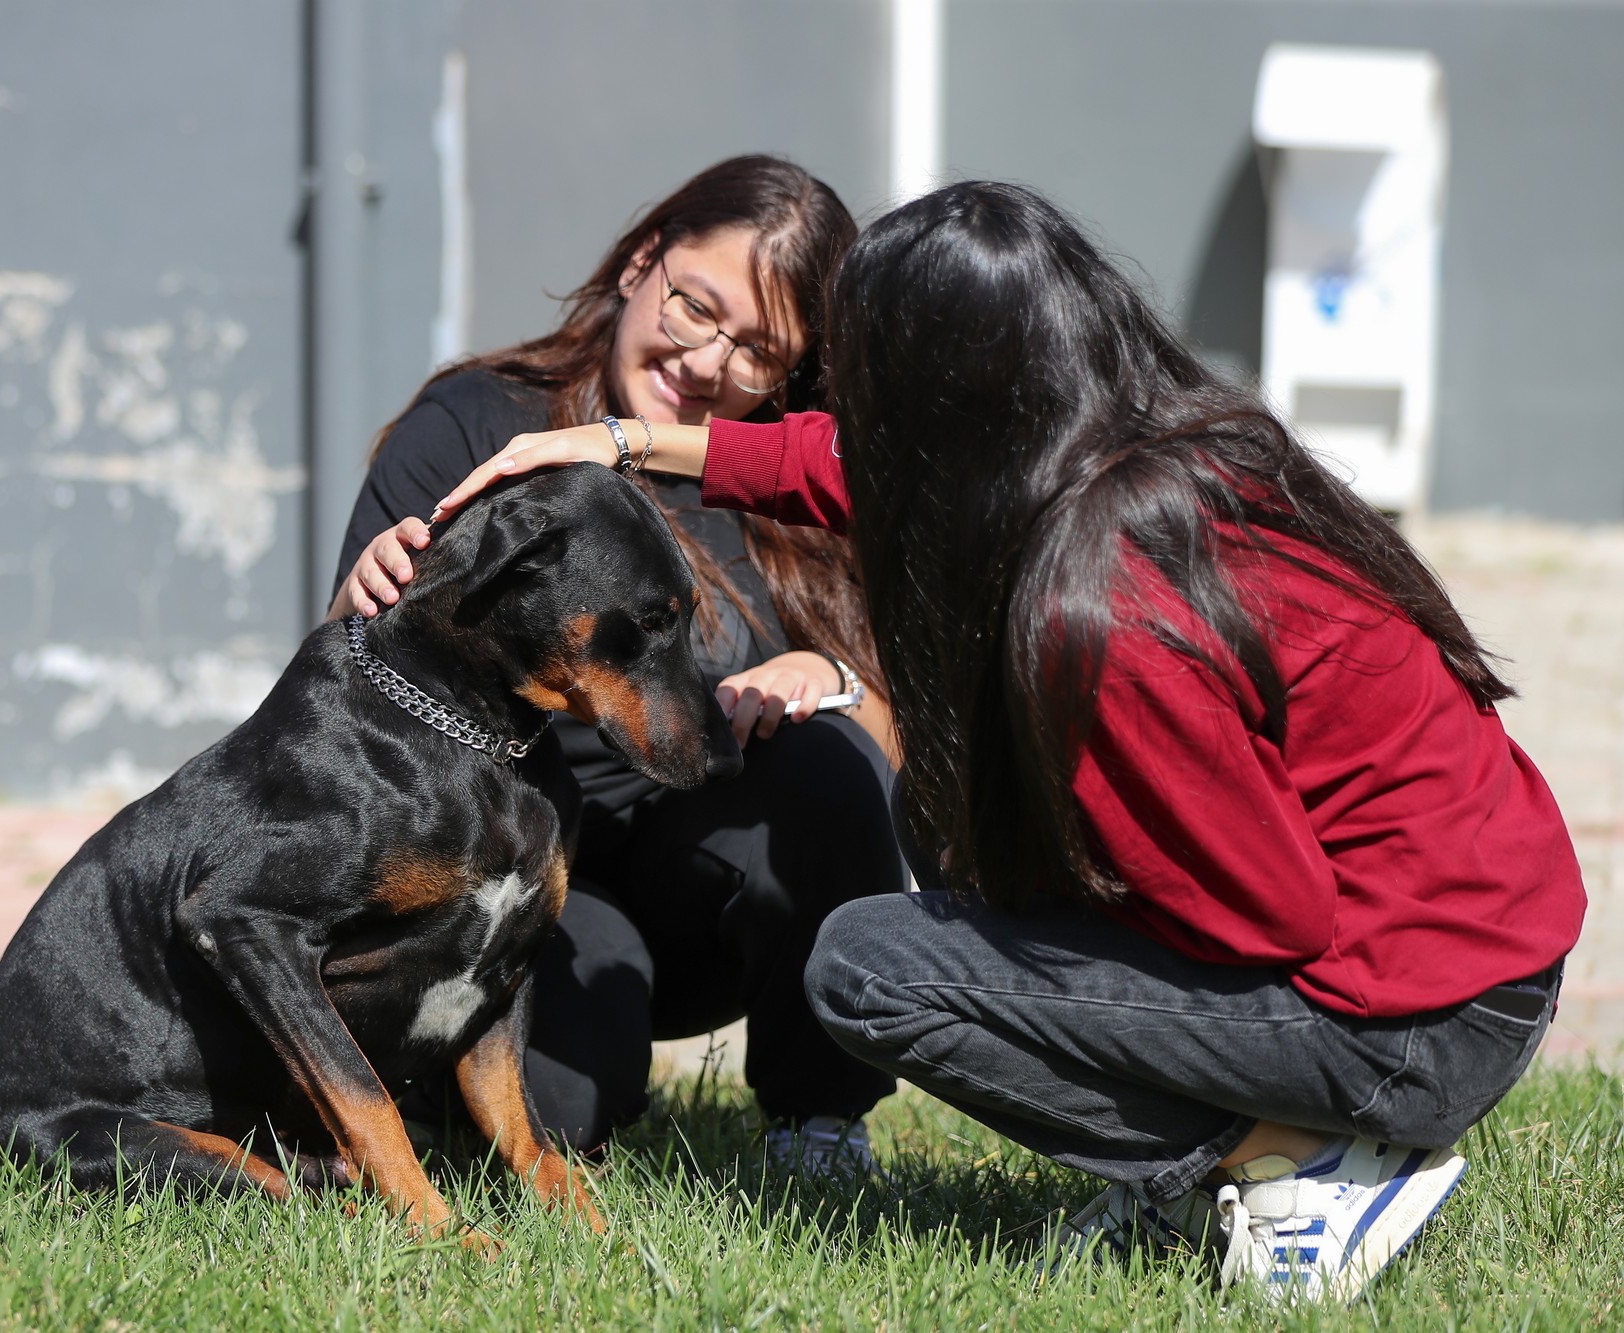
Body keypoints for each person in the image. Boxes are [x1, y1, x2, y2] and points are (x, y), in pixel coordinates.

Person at [419, 181, 1585, 1301]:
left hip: (1408, 1015)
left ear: (941, 395)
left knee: (873, 967)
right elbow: (840, 470)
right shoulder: (1139, 442)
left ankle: (1301, 1167)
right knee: (960, 830)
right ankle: (1262, 1148)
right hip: (1475, 947)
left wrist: (1039, 856)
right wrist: (618, 448)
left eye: (861, 375)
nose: (840, 403)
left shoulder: (1111, 606)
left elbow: (1268, 913)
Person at [329, 155, 907, 1166]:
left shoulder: (794, 484)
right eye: (694, 306)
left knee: (827, 768)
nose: (706, 359)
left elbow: (894, 749)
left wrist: (831, 682)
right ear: (644, 259)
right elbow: (341, 682)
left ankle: (820, 1118)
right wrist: (358, 602)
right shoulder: (478, 422)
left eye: (758, 351)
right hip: (503, 882)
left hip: (703, 882)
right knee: (551, 1117)